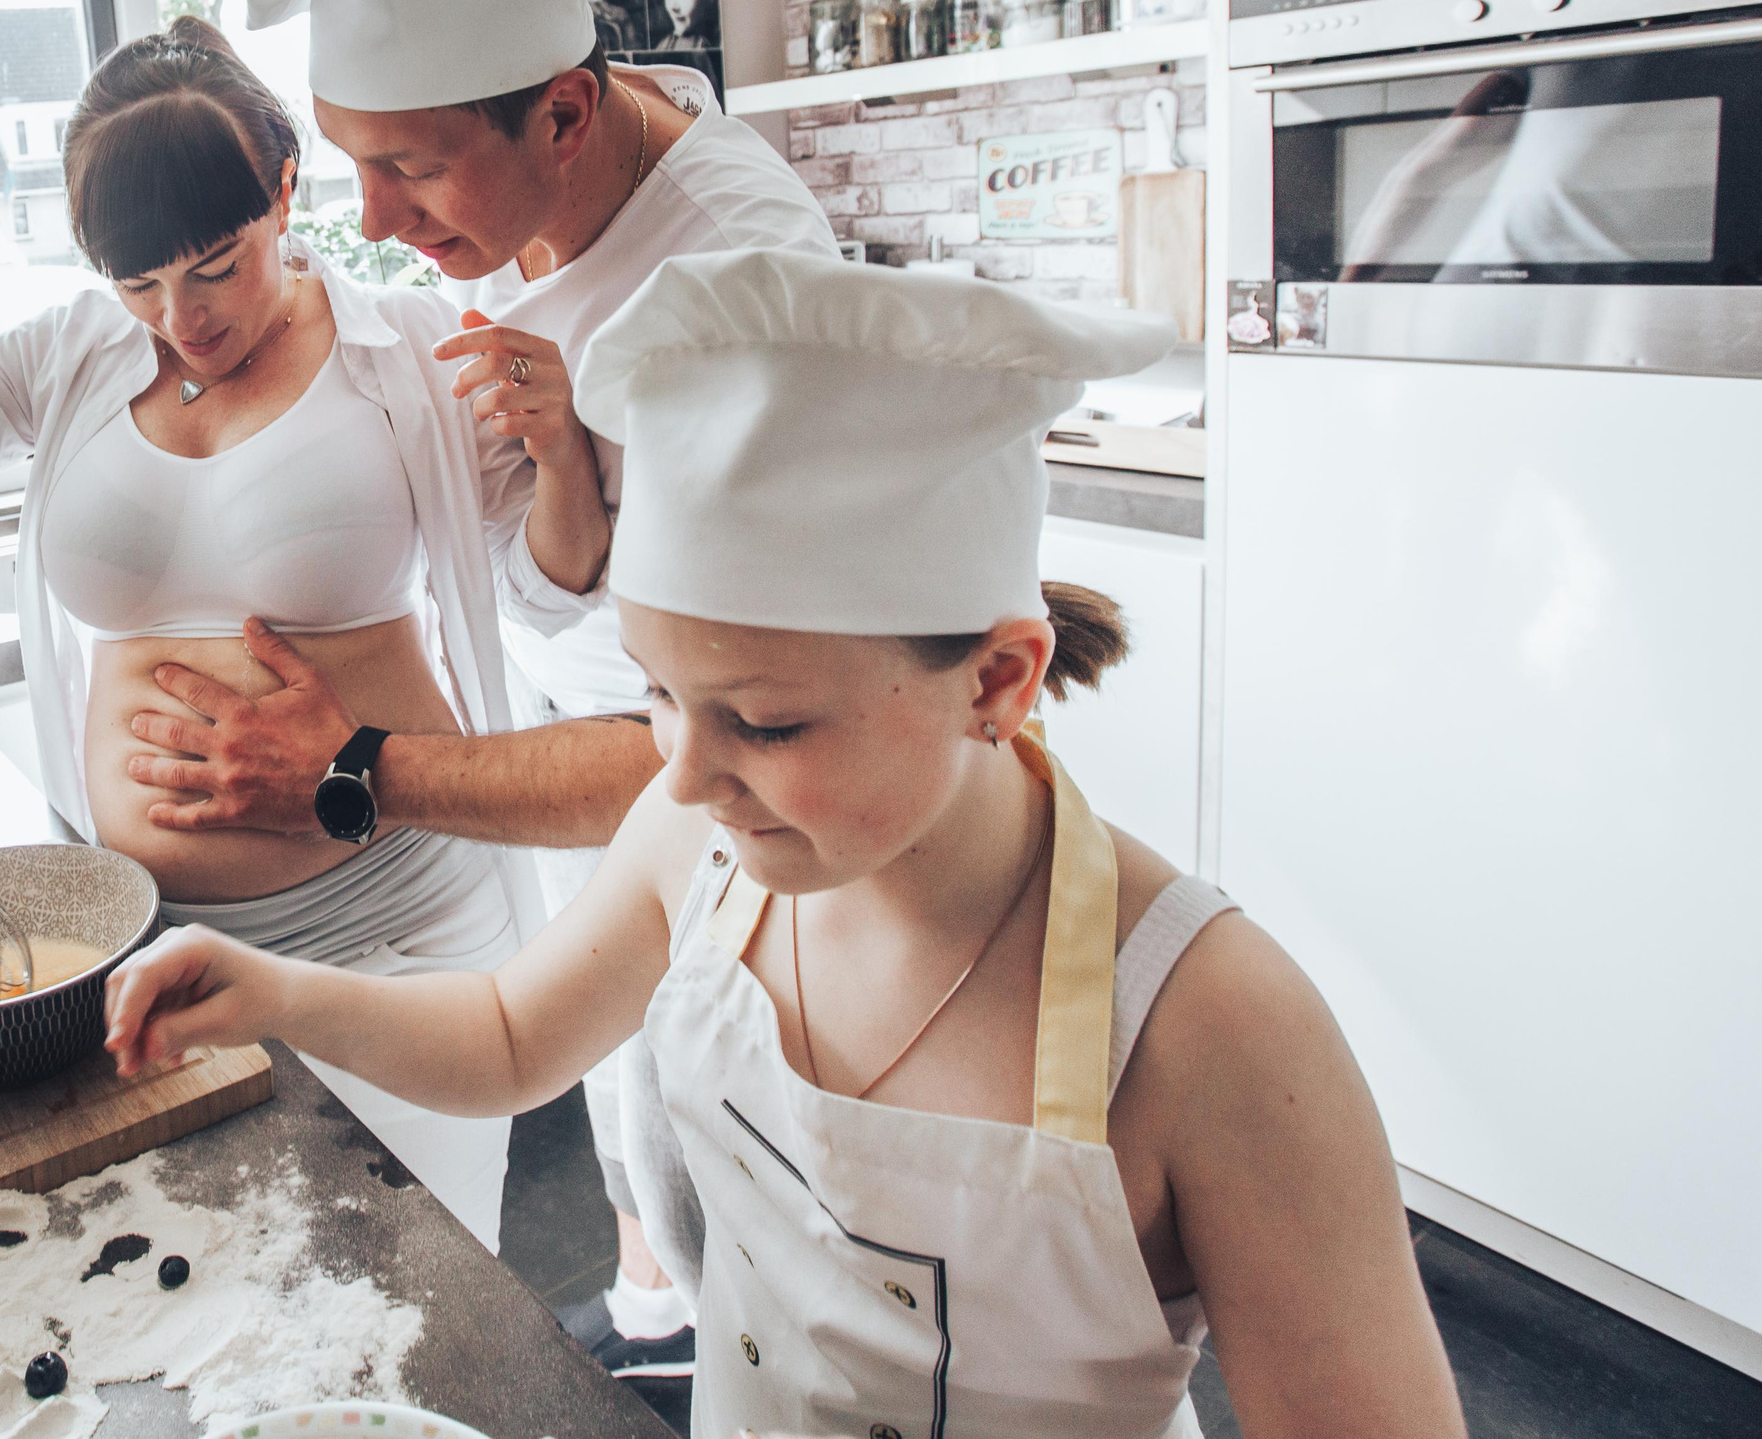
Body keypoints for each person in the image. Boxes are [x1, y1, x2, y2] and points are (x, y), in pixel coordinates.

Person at [103, 249, 1470, 1439]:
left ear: (996, 680)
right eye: (656, 693)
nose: (683, 772)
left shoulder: (1208, 1024)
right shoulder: (697, 836)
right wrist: (278, 996)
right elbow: (516, 1035)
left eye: (764, 720)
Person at [122, 0, 840, 1377]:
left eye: (407, 166)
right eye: (350, 158)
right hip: (602, 837)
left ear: (569, 111)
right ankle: (654, 1316)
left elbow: (739, 759)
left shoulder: (741, 299)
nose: (371, 221)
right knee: (654, 1193)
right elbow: (547, 581)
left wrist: (355, 765)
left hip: (748, 879)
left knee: (782, 1280)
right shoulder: (515, 217)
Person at [0, 17, 611, 1249]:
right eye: (138, 282)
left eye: (215, 265)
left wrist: (562, 454)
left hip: (399, 936)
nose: (180, 318)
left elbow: (547, 594)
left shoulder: (408, 351)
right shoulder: (72, 355)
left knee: (396, 1290)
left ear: (284, 191)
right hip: (145, 952)